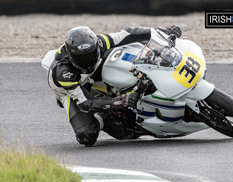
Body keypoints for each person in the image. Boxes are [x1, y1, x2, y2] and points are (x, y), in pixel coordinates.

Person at [47, 25, 182, 146]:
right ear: (71, 56)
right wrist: (117, 102)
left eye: (91, 54)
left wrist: (162, 31)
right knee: (87, 134)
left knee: (131, 45)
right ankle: (104, 119)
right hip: (71, 90)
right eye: (81, 58)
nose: (88, 61)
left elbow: (128, 34)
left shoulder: (99, 43)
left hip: (95, 71)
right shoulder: (63, 72)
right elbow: (86, 102)